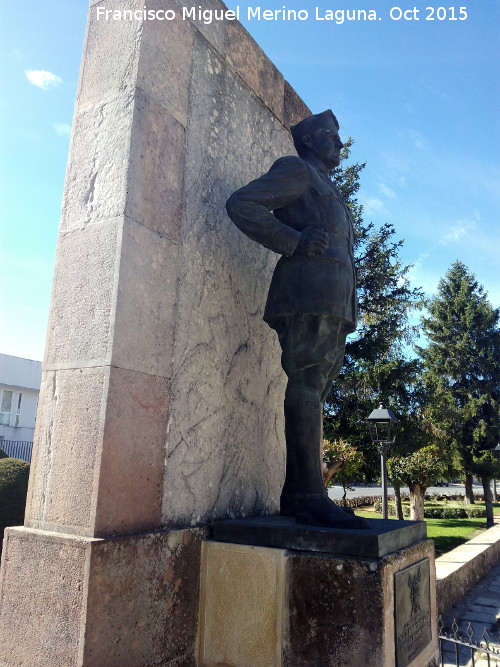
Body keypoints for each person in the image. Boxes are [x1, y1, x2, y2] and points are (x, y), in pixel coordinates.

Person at [226, 110, 368, 528]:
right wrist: (293, 241)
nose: (339, 144)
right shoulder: (297, 171)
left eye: (340, 138)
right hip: (307, 295)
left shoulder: (328, 185)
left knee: (314, 391)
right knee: (306, 385)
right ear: (308, 141)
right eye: (330, 136)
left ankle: (298, 493)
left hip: (333, 300)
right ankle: (309, 496)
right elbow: (243, 204)